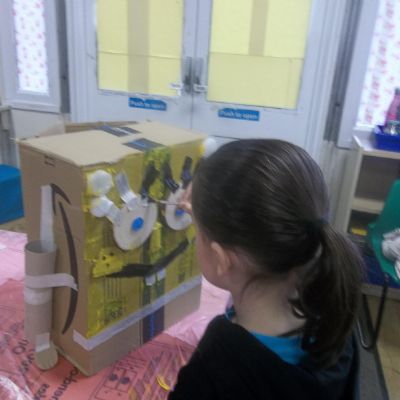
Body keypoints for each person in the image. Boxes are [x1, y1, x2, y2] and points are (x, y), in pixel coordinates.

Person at [169, 139, 362, 400]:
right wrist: (207, 217)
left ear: (220, 259)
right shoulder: (334, 310)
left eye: (198, 233)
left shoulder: (215, 366)